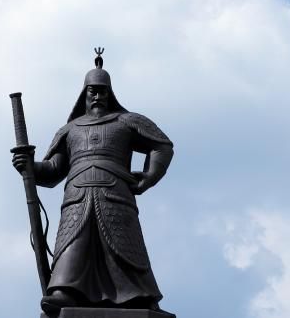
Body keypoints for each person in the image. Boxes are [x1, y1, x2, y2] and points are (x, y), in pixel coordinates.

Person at [12, 50, 174, 316]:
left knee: (123, 246)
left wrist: (149, 176)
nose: (97, 96)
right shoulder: (70, 130)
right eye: (92, 92)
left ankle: (136, 295)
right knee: (73, 242)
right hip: (77, 196)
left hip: (115, 193)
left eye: (102, 91)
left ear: (110, 94)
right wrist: (28, 166)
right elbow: (53, 170)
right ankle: (65, 291)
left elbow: (162, 146)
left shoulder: (127, 121)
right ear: (84, 95)